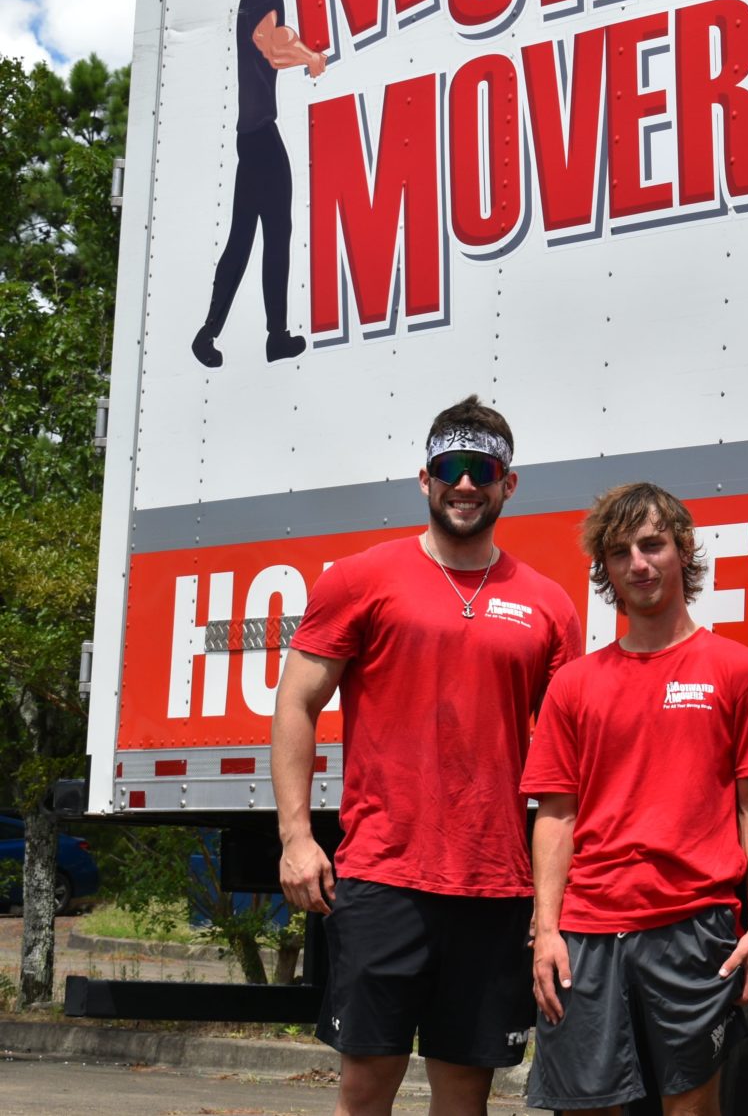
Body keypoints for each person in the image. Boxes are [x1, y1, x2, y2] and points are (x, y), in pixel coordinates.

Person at [272, 395, 583, 1116]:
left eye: (483, 468)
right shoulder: (360, 578)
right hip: (384, 875)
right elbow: (296, 703)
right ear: (425, 478)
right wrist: (296, 835)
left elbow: (568, 768)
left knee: (464, 1096)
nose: (466, 483)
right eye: (451, 467)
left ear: (509, 482)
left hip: (494, 889)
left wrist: (551, 901)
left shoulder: (546, 605)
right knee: (364, 1086)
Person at [523, 482, 748, 1116]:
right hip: (585, 931)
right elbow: (556, 815)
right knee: (587, 1109)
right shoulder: (574, 685)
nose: (638, 564)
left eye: (652, 545)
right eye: (620, 552)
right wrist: (546, 931)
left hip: (692, 925)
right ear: (606, 570)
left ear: (682, 550)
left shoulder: (740, 671)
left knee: (691, 1107)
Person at [193, 0, 325, 368]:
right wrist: (310, 56)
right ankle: (275, 336)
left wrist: (302, 51)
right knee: (276, 233)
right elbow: (273, 44)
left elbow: (271, 39)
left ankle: (209, 333)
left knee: (243, 238)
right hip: (261, 136)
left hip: (248, 136)